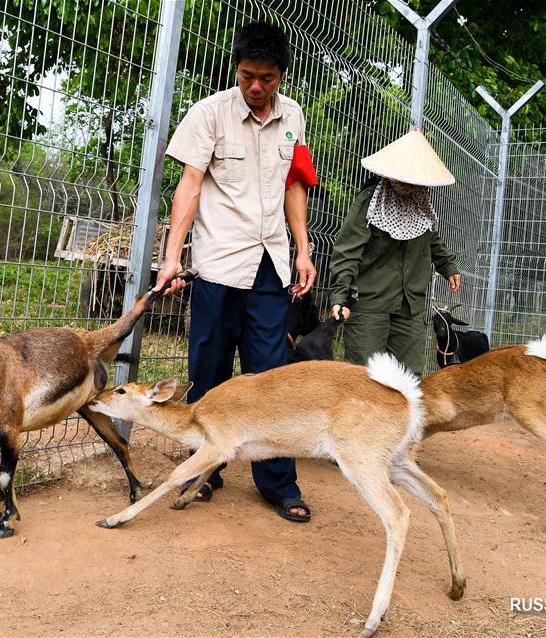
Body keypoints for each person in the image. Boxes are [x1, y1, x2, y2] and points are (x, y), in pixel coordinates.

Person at [153, 21, 317, 522]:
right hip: (220, 262)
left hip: (271, 264)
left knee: (271, 379)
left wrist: (304, 250)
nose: (255, 87)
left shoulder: (294, 117)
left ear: (282, 75)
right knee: (210, 368)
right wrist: (172, 254)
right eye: (247, 75)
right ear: (237, 70)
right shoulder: (209, 114)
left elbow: (294, 186)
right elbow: (190, 185)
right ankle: (206, 470)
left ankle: (277, 482)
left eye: (266, 78)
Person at [328, 129, 461, 376]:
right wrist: (339, 296)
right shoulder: (371, 202)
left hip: (410, 307)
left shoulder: (422, 205)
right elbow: (347, 251)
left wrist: (448, 266)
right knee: (364, 378)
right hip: (370, 304)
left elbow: (430, 236)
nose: (406, 183)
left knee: (410, 380)